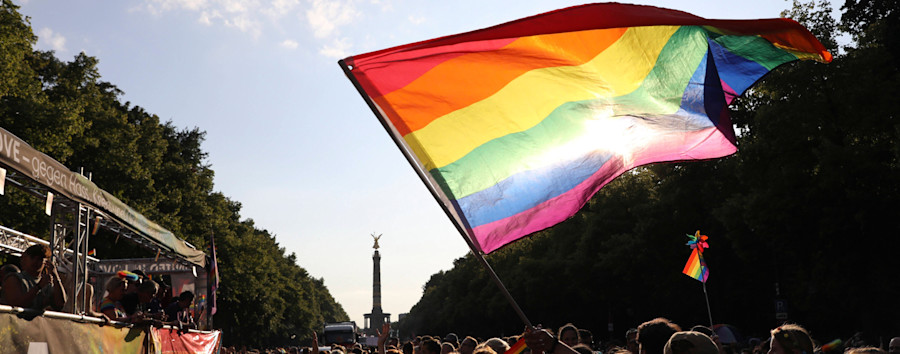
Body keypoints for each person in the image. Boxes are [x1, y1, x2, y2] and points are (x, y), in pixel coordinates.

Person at [0, 244, 67, 310]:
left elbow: (60, 304)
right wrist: (38, 287)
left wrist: (56, 277)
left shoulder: (47, 283)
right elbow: (17, 304)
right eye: (32, 257)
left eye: (40, 259)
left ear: (45, 262)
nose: (35, 261)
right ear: (26, 259)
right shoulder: (14, 278)